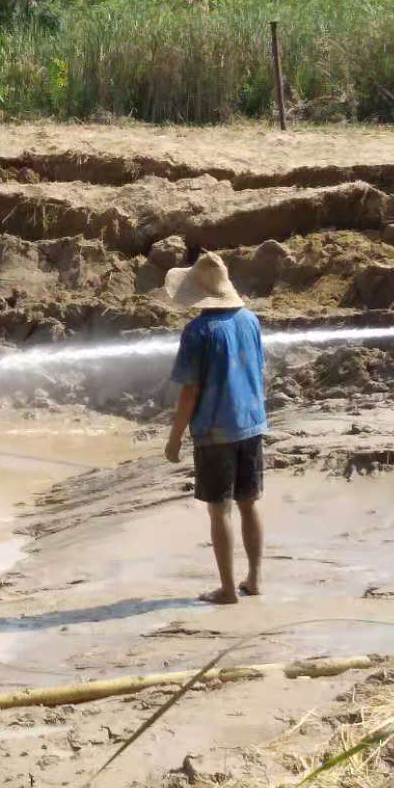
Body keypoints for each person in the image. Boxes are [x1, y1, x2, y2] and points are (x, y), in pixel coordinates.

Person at [163, 251, 266, 606]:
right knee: (249, 504)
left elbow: (189, 391)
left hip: (214, 430)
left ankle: (226, 589)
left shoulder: (198, 332)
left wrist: (174, 438)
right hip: (251, 424)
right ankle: (253, 579)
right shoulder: (250, 320)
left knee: (219, 509)